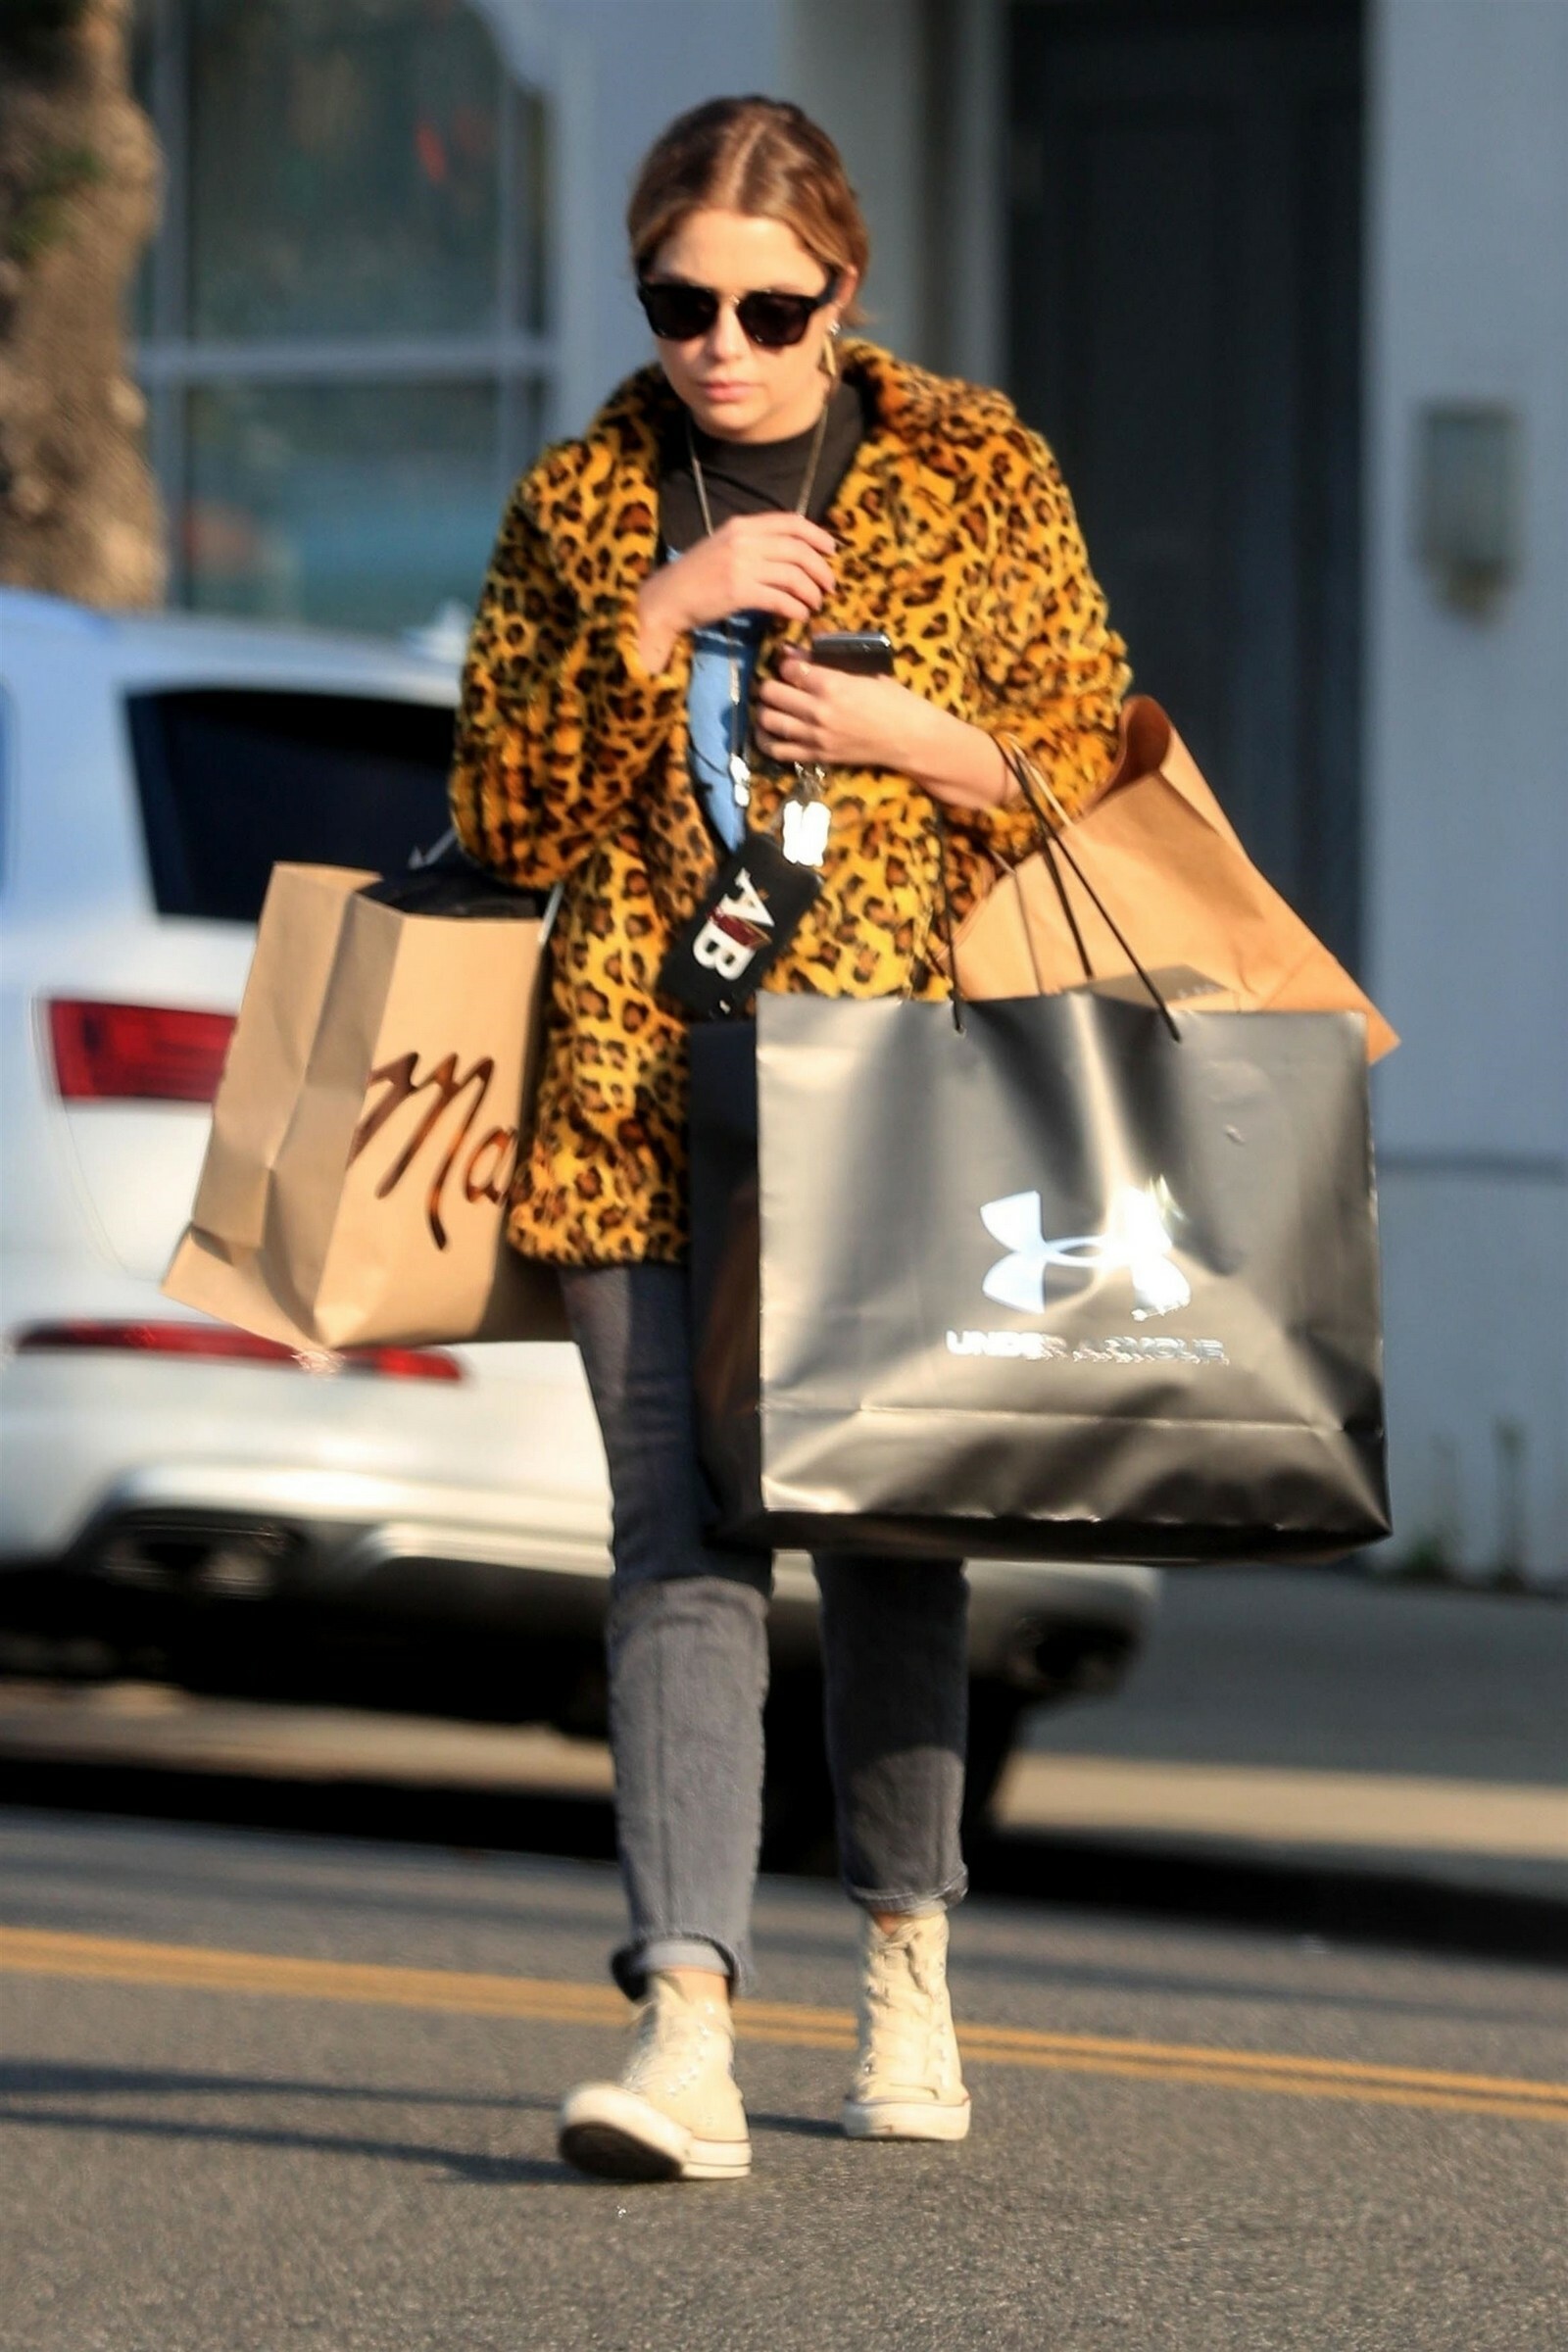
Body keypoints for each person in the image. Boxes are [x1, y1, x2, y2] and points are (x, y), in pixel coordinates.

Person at [449, 94, 1128, 2184]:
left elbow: (1100, 753)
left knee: (891, 1542)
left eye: (764, 307)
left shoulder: (978, 469)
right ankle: (684, 2023)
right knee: (678, 1546)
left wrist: (932, 744)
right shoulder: (584, 502)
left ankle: (905, 1968)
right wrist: (656, 618)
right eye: (678, 305)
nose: (719, 347)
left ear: (844, 289)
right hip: (637, 1107)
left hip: (893, 1094)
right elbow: (501, 817)